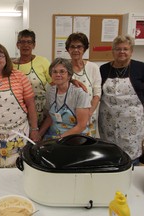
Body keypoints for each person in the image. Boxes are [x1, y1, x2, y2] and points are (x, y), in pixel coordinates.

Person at [99, 35, 144, 165]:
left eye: (125, 49)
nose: (122, 52)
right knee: (110, 154)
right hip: (108, 122)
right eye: (118, 49)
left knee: (131, 157)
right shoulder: (104, 69)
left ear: (131, 51)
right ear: (113, 51)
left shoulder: (140, 68)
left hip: (132, 122)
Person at [39, 58, 91, 140]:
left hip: (74, 137)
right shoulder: (50, 90)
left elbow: (81, 125)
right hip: (52, 135)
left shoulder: (80, 93)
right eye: (54, 72)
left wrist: (59, 139)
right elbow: (49, 117)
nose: (58, 75)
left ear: (69, 75)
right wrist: (39, 134)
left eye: (62, 71)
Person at [65, 32, 102, 138]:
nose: (76, 50)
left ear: (84, 49)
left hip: (89, 117)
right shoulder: (64, 67)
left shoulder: (93, 67)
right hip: (68, 119)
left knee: (87, 148)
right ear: (68, 49)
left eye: (79, 46)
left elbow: (97, 94)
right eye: (72, 46)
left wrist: (89, 113)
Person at [13, 29, 51, 126]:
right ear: (17, 45)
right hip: (18, 112)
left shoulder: (43, 61)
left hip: (41, 111)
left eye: (29, 42)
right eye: (22, 42)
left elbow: (55, 83)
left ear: (34, 45)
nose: (26, 45)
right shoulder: (11, 66)